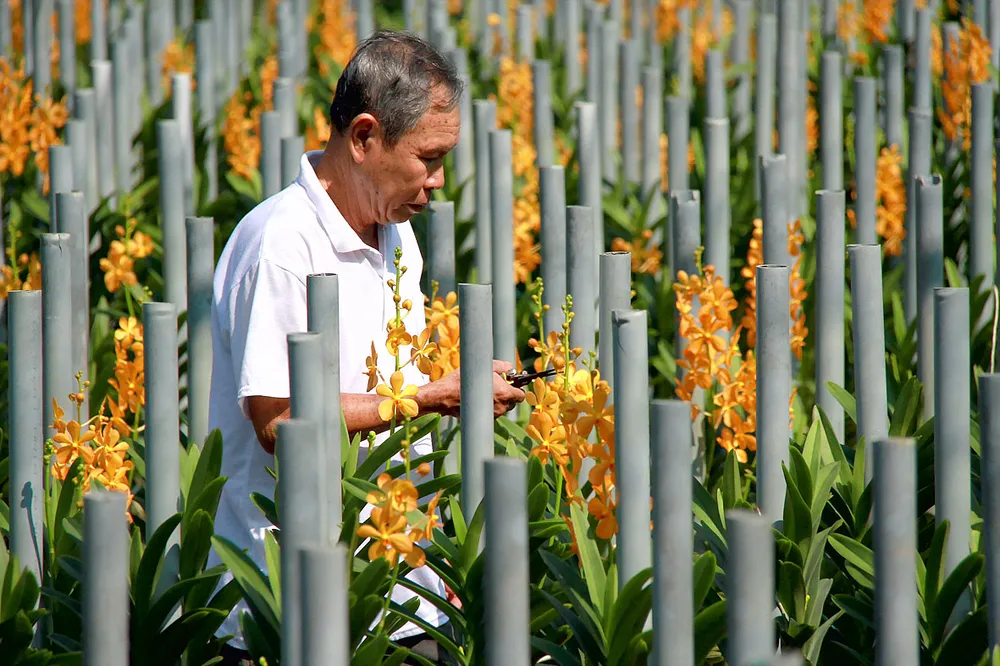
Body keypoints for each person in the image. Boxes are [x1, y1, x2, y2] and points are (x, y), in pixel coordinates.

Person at [205, 30, 526, 666]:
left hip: (399, 590)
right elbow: (279, 421)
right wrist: (428, 398)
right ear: (364, 137)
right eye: (428, 158)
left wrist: (432, 557)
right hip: (285, 604)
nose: (438, 180)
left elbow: (388, 386)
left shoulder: (395, 231)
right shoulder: (280, 245)